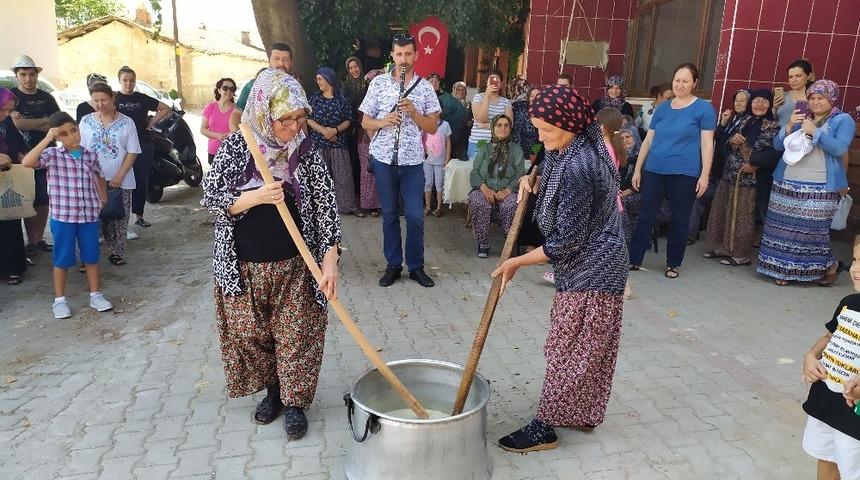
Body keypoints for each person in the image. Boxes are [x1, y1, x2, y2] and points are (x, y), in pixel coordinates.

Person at [201, 69, 341, 439]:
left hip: (296, 264)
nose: (295, 126)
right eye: (287, 119)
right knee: (252, 334)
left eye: (300, 117)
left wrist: (330, 259)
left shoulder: (305, 151)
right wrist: (254, 197)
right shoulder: (237, 146)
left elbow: (327, 206)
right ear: (265, 113)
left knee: (295, 335)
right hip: (243, 266)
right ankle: (273, 392)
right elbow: (211, 198)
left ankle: (294, 402)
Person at [492, 85, 628, 453]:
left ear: (568, 124)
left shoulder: (581, 165)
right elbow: (547, 173)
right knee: (584, 346)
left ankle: (545, 427)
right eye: (536, 128)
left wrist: (517, 261)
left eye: (546, 129)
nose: (540, 136)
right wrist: (528, 180)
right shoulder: (565, 148)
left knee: (570, 348)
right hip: (586, 265)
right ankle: (581, 412)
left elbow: (565, 241)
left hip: (595, 270)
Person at [359, 34, 441, 288]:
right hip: (384, 159)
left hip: (413, 161)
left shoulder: (425, 87)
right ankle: (393, 265)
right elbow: (364, 121)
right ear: (392, 56)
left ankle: (416, 266)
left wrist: (414, 112)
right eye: (399, 54)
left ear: (416, 56)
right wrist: (385, 121)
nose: (403, 59)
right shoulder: (379, 84)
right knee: (390, 214)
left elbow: (434, 126)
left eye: (408, 54)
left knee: (415, 215)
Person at [758, 79, 855, 286]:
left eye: (821, 98)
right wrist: (791, 124)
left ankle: (829, 265)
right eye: (812, 98)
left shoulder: (842, 120)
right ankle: (782, 271)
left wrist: (814, 131)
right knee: (782, 229)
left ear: (832, 99)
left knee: (811, 232)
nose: (816, 102)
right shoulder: (803, 117)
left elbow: (840, 149)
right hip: (786, 182)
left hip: (821, 187)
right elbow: (777, 145)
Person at [628, 63, 716, 278]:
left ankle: (673, 263)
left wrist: (704, 175)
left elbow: (707, 144)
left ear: (694, 83)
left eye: (685, 81)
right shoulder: (663, 108)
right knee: (646, 215)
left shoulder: (704, 109)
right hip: (655, 169)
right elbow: (648, 140)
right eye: (677, 80)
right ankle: (634, 259)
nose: (680, 84)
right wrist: (638, 169)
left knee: (680, 218)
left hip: (684, 172)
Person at [21, 112, 112, 319]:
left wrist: (102, 198)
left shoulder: (90, 155)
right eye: (64, 134)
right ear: (57, 138)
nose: (72, 137)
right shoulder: (52, 155)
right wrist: (47, 138)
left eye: (74, 130)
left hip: (88, 216)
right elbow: (27, 162)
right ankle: (59, 300)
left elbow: (99, 175)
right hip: (63, 218)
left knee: (91, 257)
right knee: (62, 259)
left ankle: (96, 295)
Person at [801, 237, 860, 480]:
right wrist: (810, 356)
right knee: (826, 457)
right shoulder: (849, 303)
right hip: (827, 399)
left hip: (853, 410)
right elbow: (830, 336)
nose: (855, 269)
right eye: (856, 260)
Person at [703, 89, 779, 267]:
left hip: (750, 179)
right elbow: (725, 143)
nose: (759, 105)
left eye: (764, 101)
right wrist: (732, 140)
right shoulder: (743, 120)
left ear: (770, 104)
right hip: (730, 173)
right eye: (756, 101)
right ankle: (723, 247)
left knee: (742, 216)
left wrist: (755, 163)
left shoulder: (773, 126)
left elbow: (774, 153)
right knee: (724, 211)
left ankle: (740, 254)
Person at [79, 82, 141, 266]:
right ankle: (88, 257)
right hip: (92, 179)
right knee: (91, 218)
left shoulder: (126, 122)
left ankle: (117, 252)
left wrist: (119, 176)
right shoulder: (85, 121)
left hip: (120, 179)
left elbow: (132, 152)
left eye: (103, 99)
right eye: (95, 100)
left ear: (112, 97)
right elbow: (80, 148)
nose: (100, 104)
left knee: (119, 218)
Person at [10, 54, 60, 258]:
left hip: (45, 156)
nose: (28, 78)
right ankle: (23, 243)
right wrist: (42, 121)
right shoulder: (10, 97)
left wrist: (27, 122)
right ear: (17, 75)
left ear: (37, 74)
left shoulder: (47, 97)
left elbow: (56, 123)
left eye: (31, 74)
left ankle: (36, 240)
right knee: (21, 200)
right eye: (23, 74)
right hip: (18, 157)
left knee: (42, 199)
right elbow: (15, 125)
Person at [688, 89, 752, 245]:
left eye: (743, 100)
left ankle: (712, 240)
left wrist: (728, 138)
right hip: (718, 170)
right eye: (737, 100)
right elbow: (718, 138)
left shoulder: (749, 121)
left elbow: (732, 143)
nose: (739, 103)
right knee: (698, 198)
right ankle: (690, 234)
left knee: (720, 205)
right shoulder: (733, 119)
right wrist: (723, 123)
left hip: (732, 173)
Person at [115, 66, 170, 228]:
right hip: (120, 146)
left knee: (141, 179)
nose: (128, 83)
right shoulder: (114, 98)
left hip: (143, 143)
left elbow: (165, 108)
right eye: (125, 80)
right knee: (119, 180)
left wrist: (152, 122)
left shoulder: (142, 98)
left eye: (132, 80)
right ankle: (118, 217)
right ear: (119, 81)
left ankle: (139, 216)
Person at [468, 114, 523, 257]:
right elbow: (474, 172)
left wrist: (507, 191)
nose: (503, 128)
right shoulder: (484, 148)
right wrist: (484, 188)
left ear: (510, 128)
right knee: (479, 201)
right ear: (493, 128)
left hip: (507, 191)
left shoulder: (516, 150)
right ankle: (483, 243)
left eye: (506, 125)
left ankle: (509, 242)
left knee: (511, 204)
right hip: (485, 190)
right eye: (499, 125)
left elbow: (519, 175)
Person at [308, 67, 359, 216]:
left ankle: (347, 206)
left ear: (329, 79)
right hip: (319, 142)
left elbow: (349, 120)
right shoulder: (315, 99)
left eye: (320, 79)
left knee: (343, 176)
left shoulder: (342, 99)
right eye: (317, 79)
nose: (318, 82)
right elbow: (309, 119)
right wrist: (325, 131)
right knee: (320, 176)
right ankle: (320, 207)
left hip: (338, 141)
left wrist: (335, 130)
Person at [230, 43, 295, 132]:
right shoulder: (253, 86)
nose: (281, 63)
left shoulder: (296, 89)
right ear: (269, 61)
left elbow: (300, 120)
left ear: (291, 62)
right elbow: (236, 115)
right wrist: (245, 139)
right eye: (276, 59)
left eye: (286, 59)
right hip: (256, 142)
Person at [0, 87, 28, 285]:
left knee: (10, 221)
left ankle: (14, 268)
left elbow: (17, 141)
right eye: (2, 109)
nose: (6, 114)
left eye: (9, 110)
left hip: (8, 178)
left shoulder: (7, 121)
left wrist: (23, 155)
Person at [356, 69, 385, 217]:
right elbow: (365, 123)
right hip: (367, 140)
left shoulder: (385, 97)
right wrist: (375, 141)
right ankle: (366, 204)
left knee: (378, 173)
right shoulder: (366, 98)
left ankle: (377, 205)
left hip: (381, 140)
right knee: (367, 172)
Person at [467, 70, 513, 159]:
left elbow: (508, 125)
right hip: (478, 142)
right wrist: (487, 96)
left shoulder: (506, 102)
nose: (494, 84)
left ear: (501, 84)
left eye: (497, 81)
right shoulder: (478, 97)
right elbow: (481, 119)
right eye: (492, 81)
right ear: (487, 83)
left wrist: (486, 125)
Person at [343, 56, 369, 200]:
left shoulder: (368, 83)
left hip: (368, 126)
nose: (354, 70)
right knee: (354, 161)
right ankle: (357, 196)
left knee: (367, 162)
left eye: (356, 66)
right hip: (352, 128)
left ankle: (368, 197)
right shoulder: (346, 86)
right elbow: (346, 107)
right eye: (351, 68)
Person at [428, 73, 468, 163]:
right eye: (431, 81)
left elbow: (462, 113)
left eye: (436, 81)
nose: (434, 83)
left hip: (449, 137)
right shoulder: (423, 97)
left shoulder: (446, 97)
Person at [201, 78, 237, 165]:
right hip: (213, 151)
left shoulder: (237, 110)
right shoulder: (210, 107)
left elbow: (240, 130)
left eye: (232, 89)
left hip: (231, 151)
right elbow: (203, 129)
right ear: (219, 90)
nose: (228, 91)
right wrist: (218, 136)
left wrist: (230, 135)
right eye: (225, 88)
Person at [422, 116, 451, 217]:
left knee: (439, 183)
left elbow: (448, 142)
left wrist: (447, 159)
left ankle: (439, 207)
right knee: (427, 183)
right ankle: (428, 207)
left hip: (440, 161)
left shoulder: (445, 125)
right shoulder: (424, 123)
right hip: (427, 160)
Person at [774, 59, 815, 127]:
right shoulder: (783, 96)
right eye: (790, 77)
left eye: (798, 76)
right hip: (779, 136)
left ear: (809, 76)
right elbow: (771, 121)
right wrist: (774, 108)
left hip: (801, 136)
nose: (794, 80)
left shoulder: (815, 98)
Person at [510, 80, 538, 157]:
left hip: (535, 153)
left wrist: (535, 154)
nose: (534, 99)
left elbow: (538, 138)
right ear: (528, 97)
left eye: (537, 96)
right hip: (521, 154)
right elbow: (516, 134)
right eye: (532, 96)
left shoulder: (542, 113)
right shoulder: (521, 110)